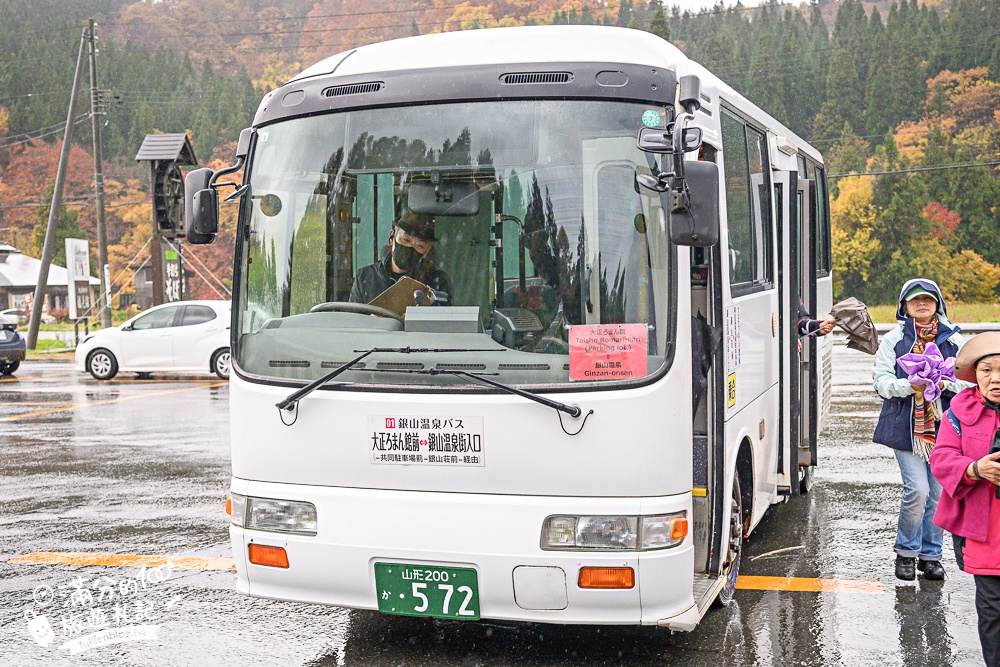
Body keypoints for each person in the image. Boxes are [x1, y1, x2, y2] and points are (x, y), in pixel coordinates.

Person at [872, 278, 968, 581]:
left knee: (939, 494)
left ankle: (931, 557)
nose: (922, 304)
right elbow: (881, 381)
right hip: (905, 428)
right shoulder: (894, 339)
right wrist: (908, 385)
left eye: (928, 299)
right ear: (904, 306)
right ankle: (905, 552)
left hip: (946, 429)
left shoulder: (955, 340)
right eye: (915, 300)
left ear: (938, 302)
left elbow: (971, 378)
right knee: (918, 490)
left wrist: (946, 382)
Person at [931, 332, 1000, 667]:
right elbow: (941, 460)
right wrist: (976, 468)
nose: (995, 378)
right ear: (975, 376)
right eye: (986, 370)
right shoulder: (958, 413)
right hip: (983, 532)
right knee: (992, 611)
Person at [348, 211, 453, 306]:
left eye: (420, 246)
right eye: (405, 240)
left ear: (426, 251)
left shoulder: (438, 282)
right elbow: (352, 322)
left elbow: (444, 324)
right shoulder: (364, 278)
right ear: (392, 237)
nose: (410, 248)